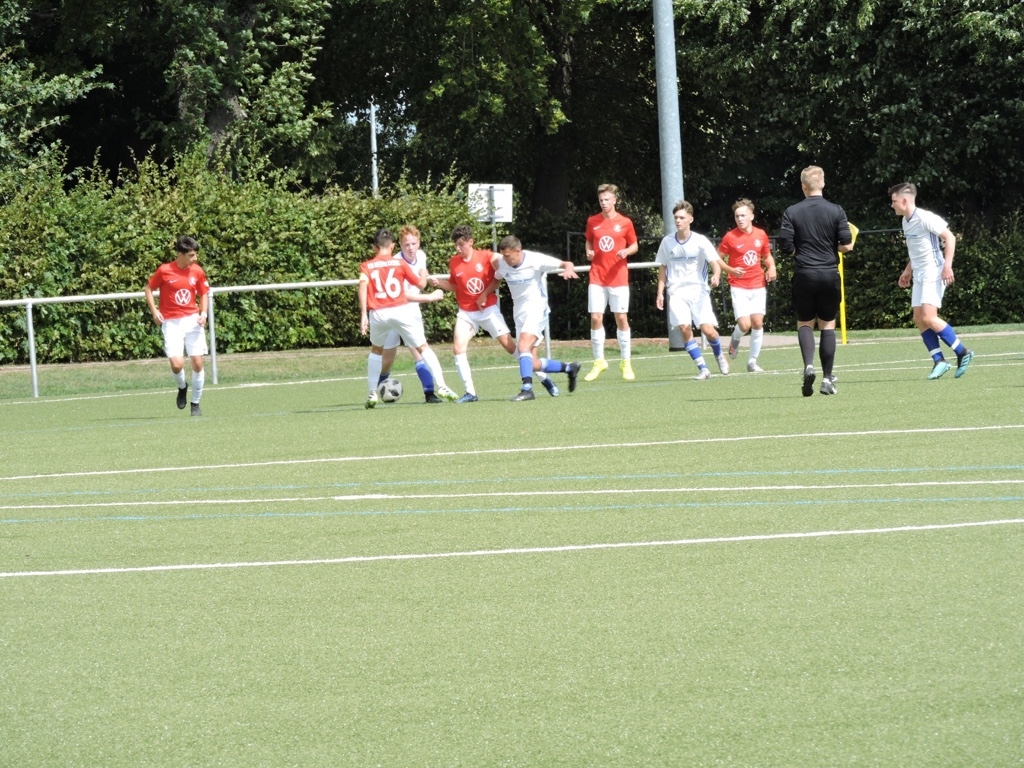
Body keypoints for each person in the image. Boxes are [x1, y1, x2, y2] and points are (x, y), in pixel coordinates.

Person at [431, 225, 556, 402]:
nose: (458, 248)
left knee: (512, 347)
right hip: (466, 312)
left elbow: (502, 265)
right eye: (456, 245)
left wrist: (485, 293)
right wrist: (438, 283)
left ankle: (543, 377)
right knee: (458, 347)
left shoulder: (487, 256)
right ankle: (470, 393)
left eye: (461, 244)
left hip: (488, 310)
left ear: (470, 242)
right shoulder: (454, 262)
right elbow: (453, 286)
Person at [777, 166, 854, 396]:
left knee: (805, 323)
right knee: (827, 324)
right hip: (829, 273)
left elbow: (785, 246)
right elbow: (847, 245)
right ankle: (827, 378)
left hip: (804, 274)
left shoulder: (792, 212)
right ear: (823, 183)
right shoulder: (836, 210)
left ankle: (809, 366)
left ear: (803, 186)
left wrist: (800, 253)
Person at [475, 235, 581, 401]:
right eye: (503, 256)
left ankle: (527, 389)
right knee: (532, 362)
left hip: (537, 309)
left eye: (508, 256)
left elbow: (566, 263)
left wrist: (568, 269)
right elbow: (497, 279)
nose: (505, 259)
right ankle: (569, 368)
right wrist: (484, 294)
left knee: (523, 345)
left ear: (518, 251)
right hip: (520, 313)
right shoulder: (503, 263)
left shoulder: (535, 260)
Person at [358, 228, 455, 408]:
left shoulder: (367, 266)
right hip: (400, 310)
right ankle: (442, 386)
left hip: (378, 313)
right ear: (393, 246)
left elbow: (363, 285)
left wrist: (364, 314)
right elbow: (421, 284)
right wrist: (425, 276)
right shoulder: (399, 263)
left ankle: (372, 393)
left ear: (374, 248)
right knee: (423, 348)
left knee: (376, 351)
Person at [889, 182, 973, 379]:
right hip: (919, 273)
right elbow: (918, 251)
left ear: (904, 201)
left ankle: (962, 352)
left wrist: (947, 266)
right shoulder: (906, 221)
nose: (892, 205)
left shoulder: (925, 217)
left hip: (933, 271)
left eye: (894, 201)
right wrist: (907, 271)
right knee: (919, 319)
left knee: (928, 317)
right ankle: (939, 361)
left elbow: (950, 238)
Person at [655, 201, 744, 380]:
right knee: (684, 328)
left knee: (707, 329)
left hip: (698, 291)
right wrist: (660, 292)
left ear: (691, 219)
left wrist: (716, 276)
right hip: (676, 292)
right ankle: (703, 368)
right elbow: (663, 267)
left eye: (682, 217)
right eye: (676, 218)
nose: (678, 221)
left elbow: (715, 263)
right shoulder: (667, 242)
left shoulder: (700, 240)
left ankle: (719, 355)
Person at [144, 235, 210, 416]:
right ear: (180, 255)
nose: (195, 258)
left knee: (197, 362)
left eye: (195, 255)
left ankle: (195, 404)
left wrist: (203, 314)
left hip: (192, 320)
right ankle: (182, 386)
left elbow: (204, 293)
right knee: (176, 364)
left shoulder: (197, 271)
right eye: (191, 255)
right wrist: (154, 311)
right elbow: (148, 289)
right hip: (171, 322)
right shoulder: (164, 270)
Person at [583, 183, 639, 382]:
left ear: (615, 200)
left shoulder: (625, 222)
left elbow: (634, 245)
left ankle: (626, 362)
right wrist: (588, 251)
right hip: (597, 277)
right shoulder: (593, 221)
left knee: (621, 318)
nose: (604, 203)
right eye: (601, 200)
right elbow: (589, 240)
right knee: (596, 317)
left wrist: (627, 251)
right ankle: (599, 361)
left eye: (607, 199)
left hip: (618, 278)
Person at [719, 198, 777, 372]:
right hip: (738, 286)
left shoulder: (760, 234)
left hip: (758, 284)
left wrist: (771, 267)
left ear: (751, 216)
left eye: (743, 215)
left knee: (757, 323)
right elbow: (716, 258)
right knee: (745, 325)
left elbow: (767, 256)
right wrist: (730, 270)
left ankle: (752, 362)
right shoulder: (730, 237)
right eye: (737, 216)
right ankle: (735, 339)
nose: (740, 219)